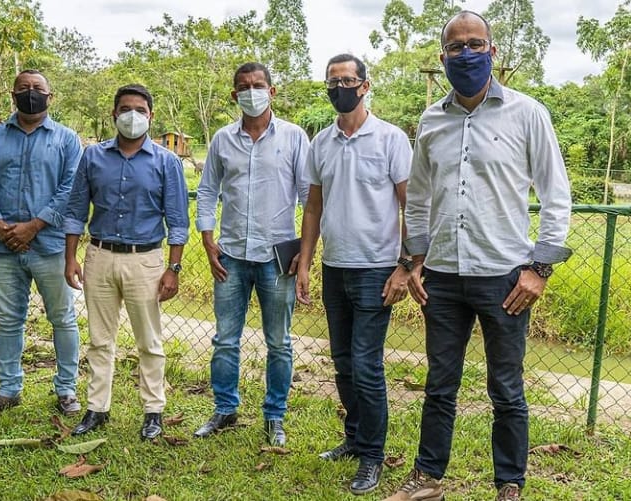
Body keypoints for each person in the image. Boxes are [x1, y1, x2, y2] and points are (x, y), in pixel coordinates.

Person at [385, 11, 572, 501]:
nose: (465, 54)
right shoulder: (430, 120)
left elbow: (556, 195)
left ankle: (509, 485)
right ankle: (427, 481)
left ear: (493, 51)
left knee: (506, 390)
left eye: (475, 44)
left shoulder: (527, 113)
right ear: (442, 56)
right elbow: (420, 199)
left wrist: (540, 269)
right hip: (443, 277)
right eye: (455, 46)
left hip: (505, 277)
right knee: (439, 386)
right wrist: (414, 260)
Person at [296, 53, 412, 495]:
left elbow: (410, 206)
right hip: (334, 267)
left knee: (366, 365)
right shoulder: (321, 142)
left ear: (364, 86)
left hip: (376, 269)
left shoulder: (390, 139)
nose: (338, 88)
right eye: (332, 81)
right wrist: (305, 262)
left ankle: (372, 457)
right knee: (343, 363)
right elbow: (313, 206)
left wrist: (406, 265)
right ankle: (353, 439)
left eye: (346, 80)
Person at [193, 62, 309, 447]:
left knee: (279, 341)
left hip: (278, 257)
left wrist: (305, 254)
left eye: (259, 85)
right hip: (230, 255)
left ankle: (275, 415)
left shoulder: (294, 137)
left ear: (272, 91)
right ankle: (225, 408)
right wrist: (207, 239)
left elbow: (310, 199)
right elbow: (208, 191)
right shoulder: (223, 140)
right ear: (234, 95)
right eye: (244, 86)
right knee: (226, 339)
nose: (251, 91)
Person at [64, 84, 189, 441]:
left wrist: (173, 268)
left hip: (145, 260)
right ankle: (96, 408)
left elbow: (178, 220)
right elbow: (75, 211)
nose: (131, 116)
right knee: (100, 340)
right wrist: (70, 257)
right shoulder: (92, 157)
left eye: (139, 109)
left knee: (149, 341)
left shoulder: (166, 161)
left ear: (150, 115)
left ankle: (153, 412)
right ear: (113, 114)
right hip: (99, 257)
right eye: (124, 109)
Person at [0, 69, 82, 417]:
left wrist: (33, 226)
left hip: (49, 245)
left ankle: (66, 389)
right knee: (7, 320)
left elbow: (71, 189)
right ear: (13, 94)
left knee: (62, 318)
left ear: (50, 97)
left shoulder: (66, 140)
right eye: (23, 88)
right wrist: (0, 225)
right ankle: (8, 389)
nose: (30, 93)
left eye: (37, 88)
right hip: (2, 246)